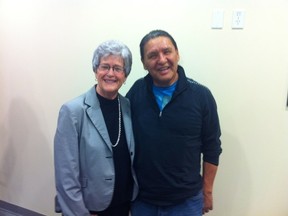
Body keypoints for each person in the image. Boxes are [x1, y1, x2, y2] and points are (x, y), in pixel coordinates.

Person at [126, 30, 222, 216]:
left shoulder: (201, 96)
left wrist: (207, 191)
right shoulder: (136, 93)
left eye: (167, 51)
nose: (161, 60)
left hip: (186, 203)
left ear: (177, 54)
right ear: (144, 63)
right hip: (143, 201)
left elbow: (212, 147)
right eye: (152, 55)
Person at [54, 40, 138, 216]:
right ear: (95, 70)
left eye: (117, 68)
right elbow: (66, 175)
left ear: (125, 75)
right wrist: (80, 213)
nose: (110, 73)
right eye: (104, 67)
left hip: (124, 204)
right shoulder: (73, 111)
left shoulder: (128, 106)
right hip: (90, 207)